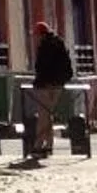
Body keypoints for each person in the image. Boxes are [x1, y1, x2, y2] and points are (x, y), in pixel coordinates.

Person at [29, 19, 75, 159]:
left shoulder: (44, 47)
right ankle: (48, 145)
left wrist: (39, 82)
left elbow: (43, 68)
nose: (34, 39)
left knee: (43, 114)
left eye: (35, 35)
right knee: (48, 114)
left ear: (41, 35)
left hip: (46, 85)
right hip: (58, 84)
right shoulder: (58, 43)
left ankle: (38, 144)